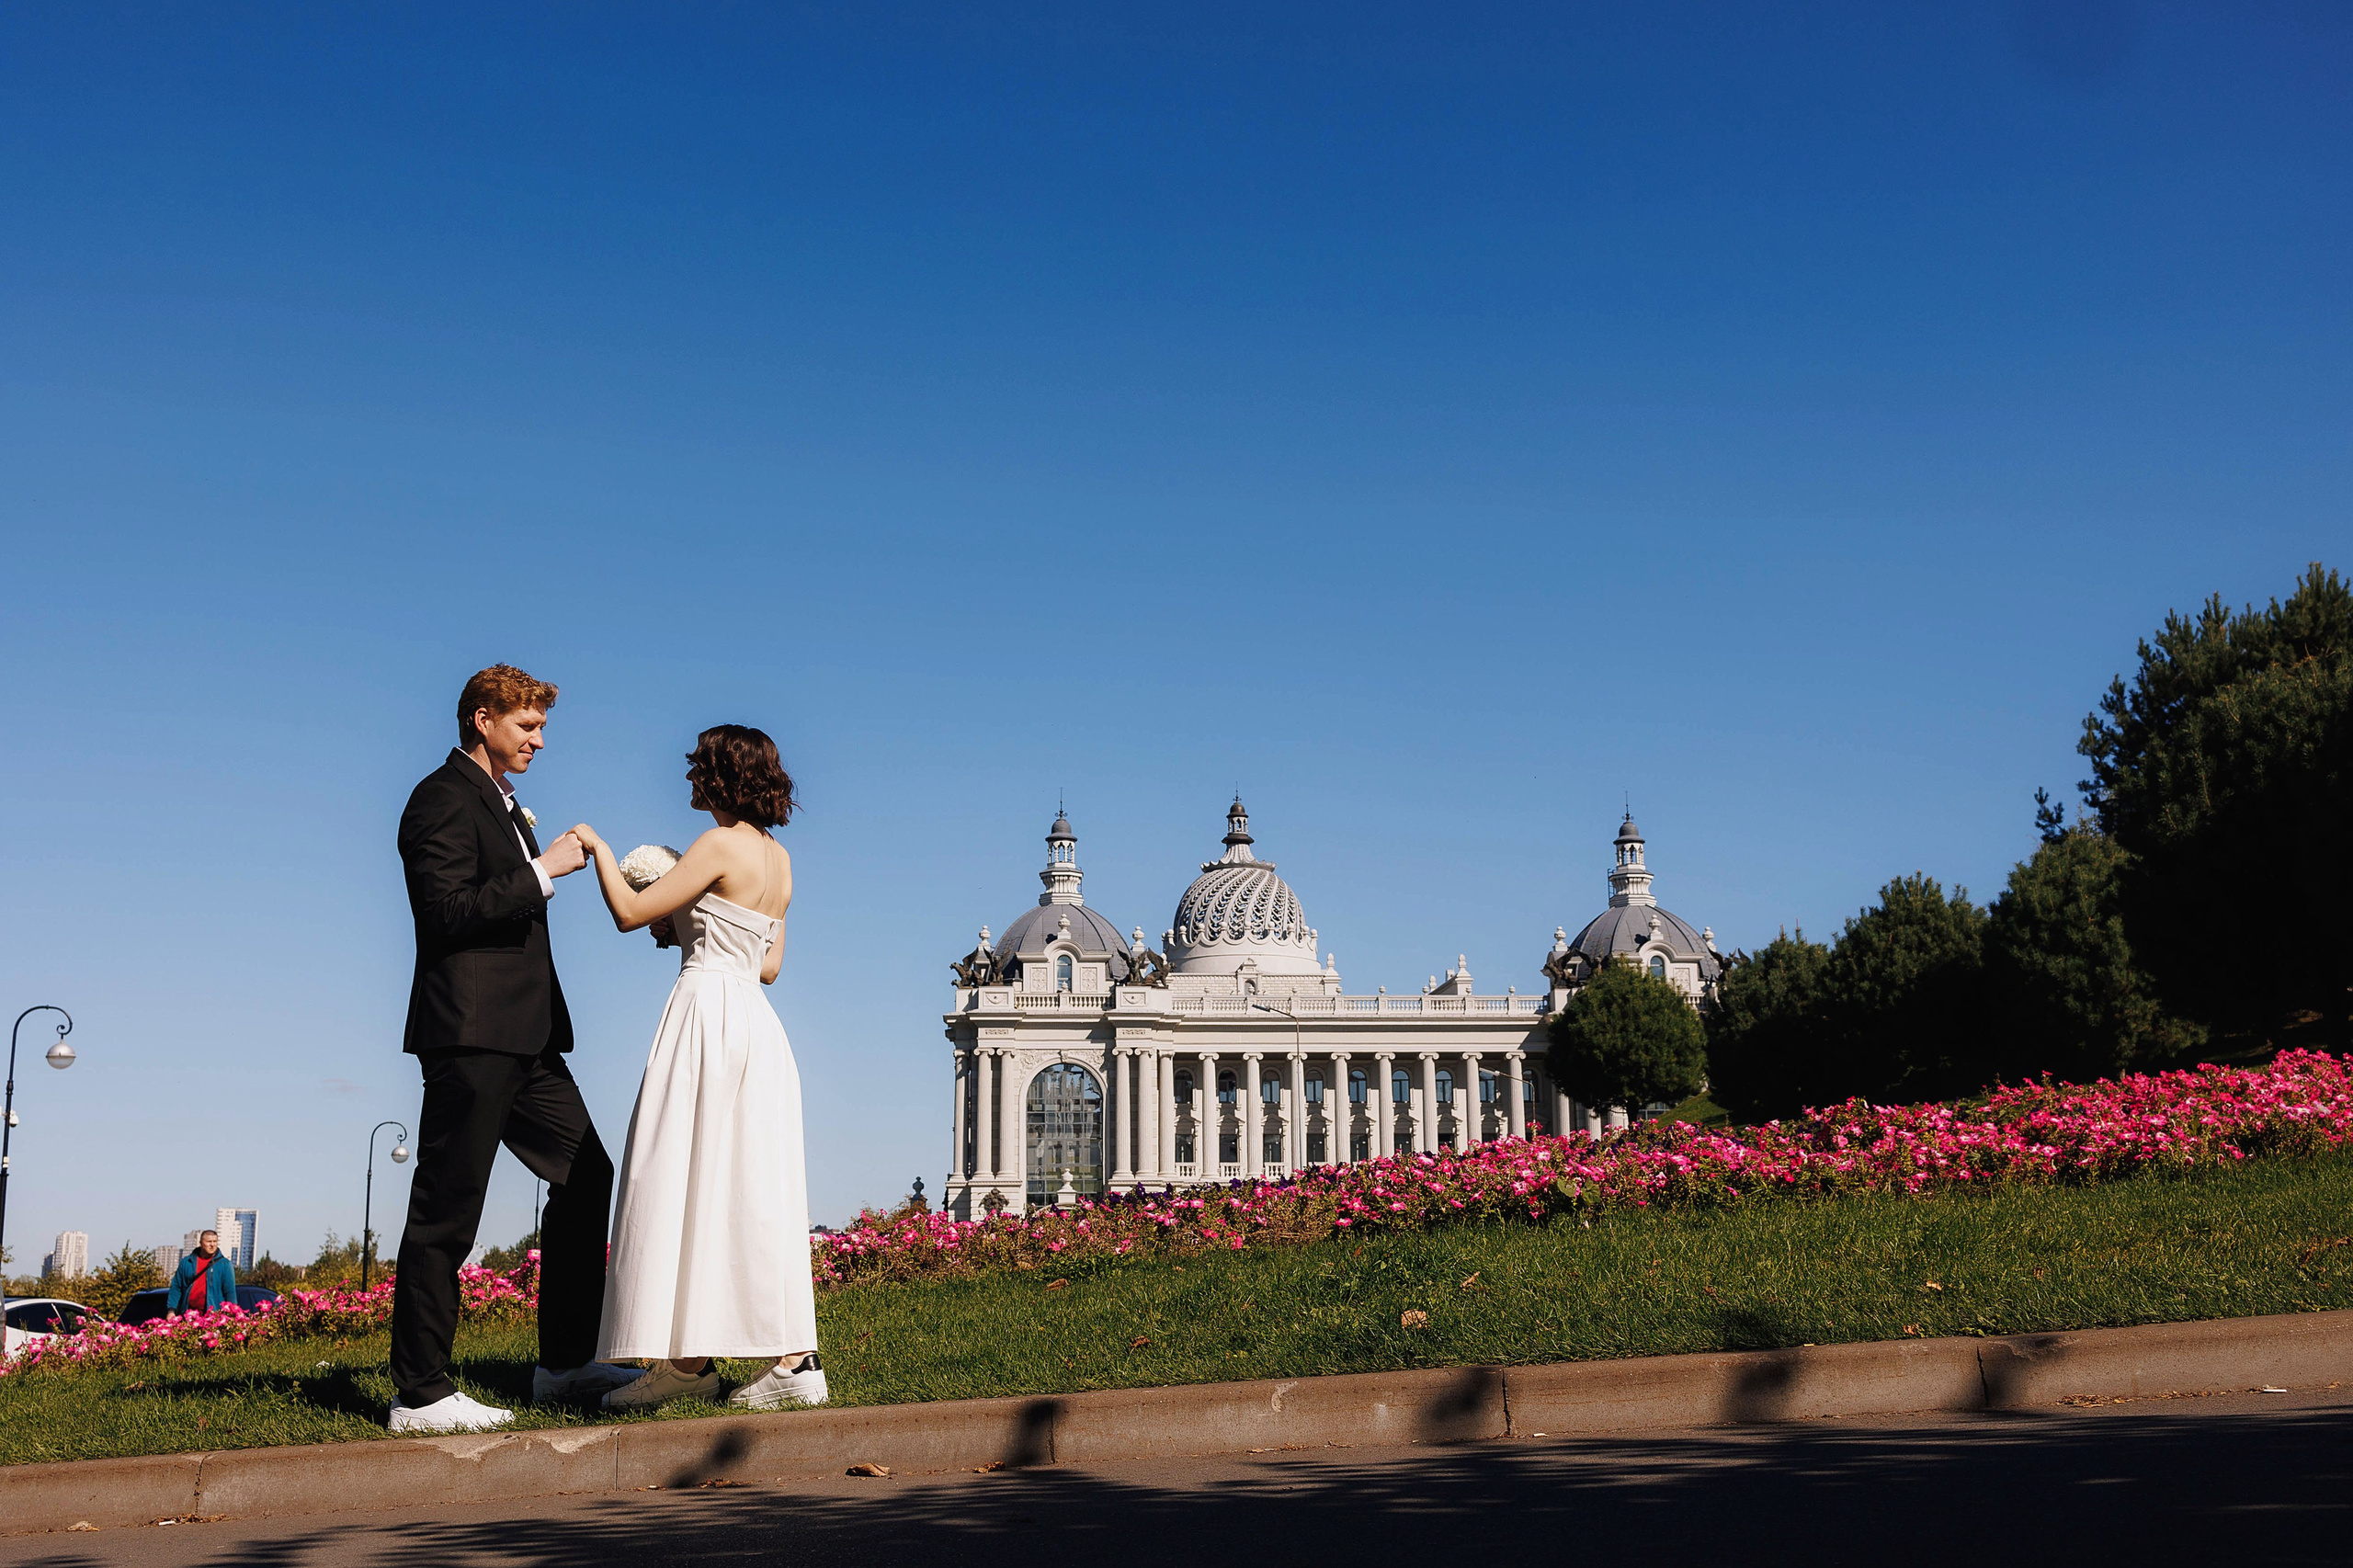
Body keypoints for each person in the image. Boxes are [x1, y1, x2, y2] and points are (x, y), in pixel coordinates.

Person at [386, 665, 641, 1434]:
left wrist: (536, 858)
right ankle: (420, 1394)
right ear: (480, 719)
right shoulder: (439, 799)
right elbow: (445, 914)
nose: (537, 741)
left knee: (588, 1174)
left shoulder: (502, 804)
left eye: (541, 728)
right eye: (525, 726)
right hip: (469, 1035)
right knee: (447, 1208)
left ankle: (562, 1366)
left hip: (526, 1040)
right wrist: (544, 869)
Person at [568, 723, 825, 1412]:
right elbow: (768, 965)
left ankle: (693, 1363)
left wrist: (598, 849)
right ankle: (767, 1360)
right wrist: (691, 920)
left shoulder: (716, 845)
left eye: (697, 770)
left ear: (718, 778)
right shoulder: (780, 860)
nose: (687, 779)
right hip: (755, 1027)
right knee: (748, 1183)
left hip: (703, 1014)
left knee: (677, 1170)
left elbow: (626, 912)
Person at [166, 1230, 236, 1315]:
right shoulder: (187, 1262)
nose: (212, 1245)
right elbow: (176, 1287)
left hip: (213, 1317)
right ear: (201, 1243)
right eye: (209, 1242)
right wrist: (171, 1310)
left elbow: (230, 1292)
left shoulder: (224, 1265)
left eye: (215, 1241)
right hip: (188, 1314)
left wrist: (232, 1314)